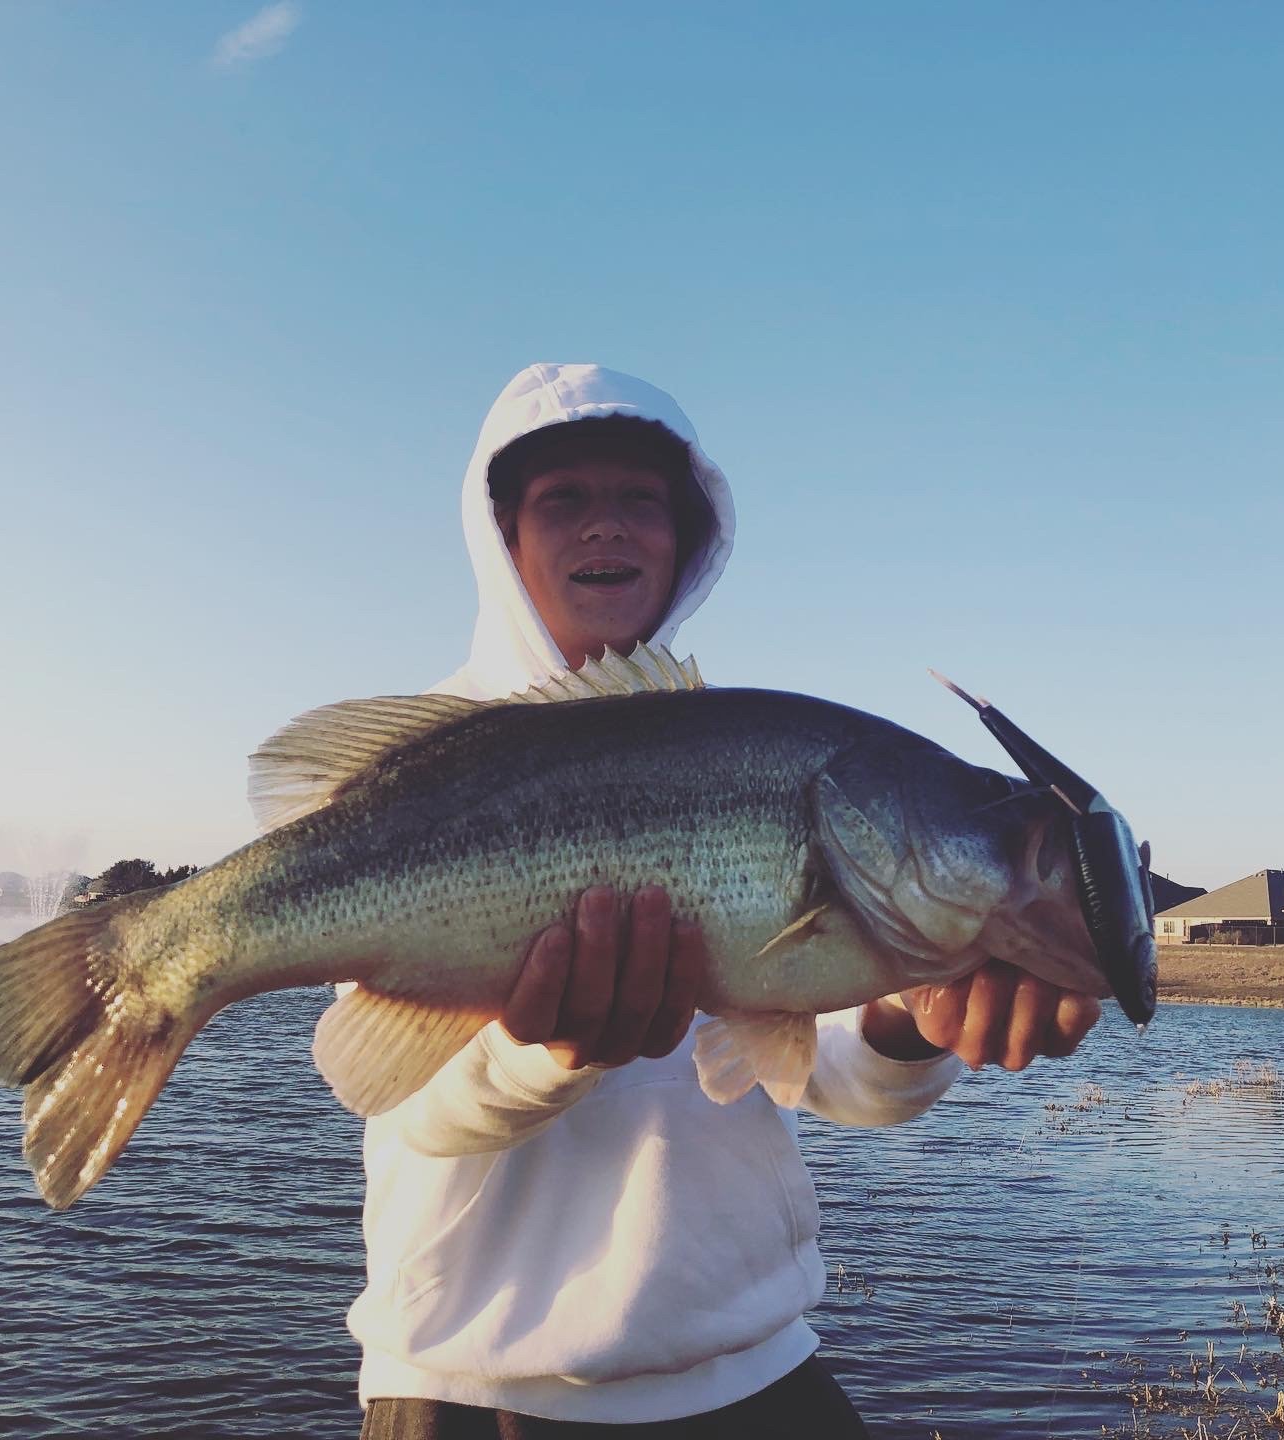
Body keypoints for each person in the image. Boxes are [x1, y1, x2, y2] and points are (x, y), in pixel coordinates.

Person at [350, 363, 1100, 1438]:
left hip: (755, 1375)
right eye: (565, 499)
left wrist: (902, 1014)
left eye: (641, 500)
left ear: (686, 536)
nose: (606, 527)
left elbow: (826, 1076)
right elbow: (406, 1104)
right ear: (502, 535)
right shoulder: (427, 759)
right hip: (471, 1391)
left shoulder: (741, 755)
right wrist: (543, 1050)